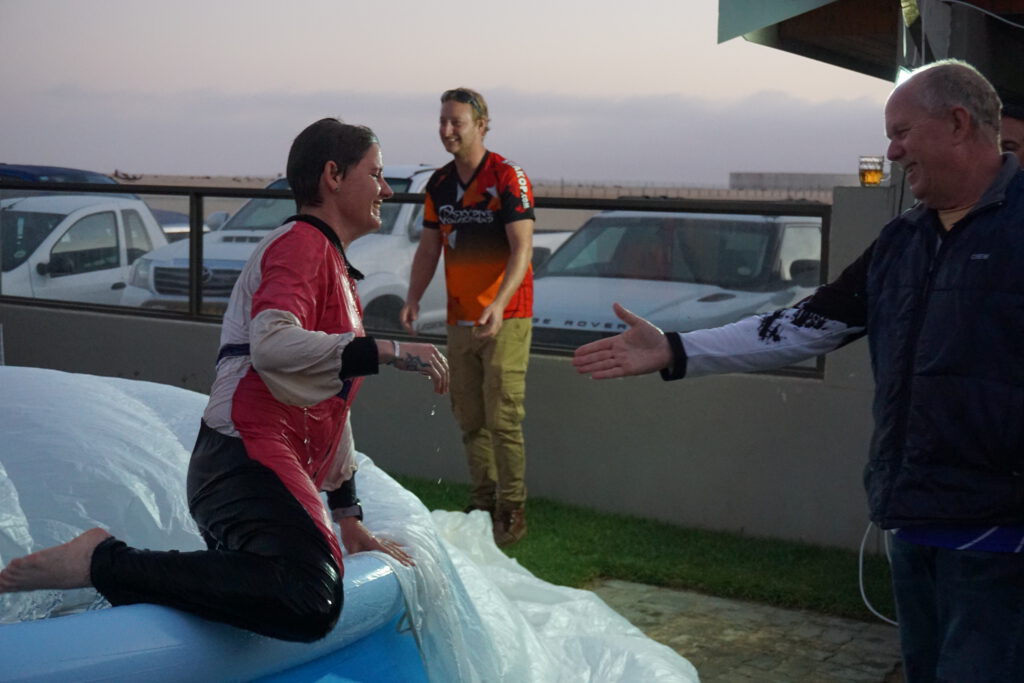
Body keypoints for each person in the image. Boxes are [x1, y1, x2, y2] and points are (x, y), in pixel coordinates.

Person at [573, 60, 1024, 683]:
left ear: (957, 123)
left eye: (901, 133)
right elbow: (804, 325)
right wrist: (676, 349)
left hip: (1000, 536)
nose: (892, 153)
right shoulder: (903, 241)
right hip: (913, 523)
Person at [0, 118, 450, 642]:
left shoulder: (330, 260)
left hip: (247, 462)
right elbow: (271, 342)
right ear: (333, 175)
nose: (386, 190)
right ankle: (100, 561)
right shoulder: (302, 244)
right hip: (245, 456)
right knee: (310, 595)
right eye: (375, 174)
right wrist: (391, 350)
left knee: (272, 595)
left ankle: (106, 573)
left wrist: (347, 516)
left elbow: (330, 401)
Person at [400, 87, 535, 547]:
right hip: (460, 318)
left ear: (481, 124)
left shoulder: (507, 176)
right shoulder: (439, 184)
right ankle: (482, 501)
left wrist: (498, 303)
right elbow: (429, 248)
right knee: (470, 417)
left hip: (507, 317)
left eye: (456, 121)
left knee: (504, 416)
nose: (446, 130)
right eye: (442, 121)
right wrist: (413, 297)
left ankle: (511, 510)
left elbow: (522, 249)